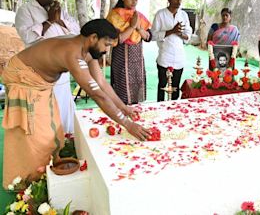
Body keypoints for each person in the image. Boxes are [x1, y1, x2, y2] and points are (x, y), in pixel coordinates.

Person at [2, 19, 150, 189]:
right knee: (38, 135)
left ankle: (47, 169)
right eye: (106, 44)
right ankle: (29, 182)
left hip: (40, 83)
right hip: (24, 79)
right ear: (94, 38)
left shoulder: (88, 47)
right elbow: (96, 94)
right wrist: (126, 123)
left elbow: (100, 82)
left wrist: (123, 107)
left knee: (53, 130)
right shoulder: (73, 53)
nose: (107, 50)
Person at [15, 0, 80, 134]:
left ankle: (66, 141)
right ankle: (47, 146)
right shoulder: (25, 11)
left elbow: (76, 31)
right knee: (44, 113)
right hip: (40, 70)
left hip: (62, 67)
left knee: (63, 106)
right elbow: (28, 37)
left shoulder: (59, 10)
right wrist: (50, 21)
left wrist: (59, 20)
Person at [107, 0, 151, 105]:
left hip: (137, 61)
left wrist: (138, 28)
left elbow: (148, 37)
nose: (133, 2)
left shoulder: (138, 16)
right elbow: (118, 39)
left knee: (136, 90)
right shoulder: (114, 15)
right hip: (122, 61)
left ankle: (135, 114)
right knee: (122, 91)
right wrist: (131, 26)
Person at [151, 0, 192, 101]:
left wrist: (180, 34)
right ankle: (159, 109)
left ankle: (174, 114)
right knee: (162, 87)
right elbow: (153, 35)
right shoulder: (160, 14)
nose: (179, 2)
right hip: (164, 57)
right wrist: (171, 31)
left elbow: (188, 35)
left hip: (179, 58)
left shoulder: (183, 15)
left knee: (175, 89)